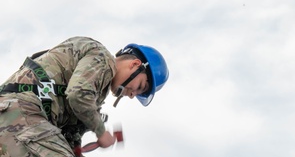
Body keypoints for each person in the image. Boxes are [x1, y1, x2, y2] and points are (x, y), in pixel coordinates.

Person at [0, 36, 169, 156]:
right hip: (19, 115)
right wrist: (101, 132)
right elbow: (77, 94)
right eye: (139, 87)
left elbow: (68, 137)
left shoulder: (95, 92)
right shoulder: (102, 58)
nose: (132, 95)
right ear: (135, 65)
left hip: (17, 123)